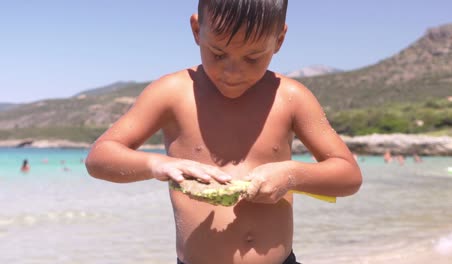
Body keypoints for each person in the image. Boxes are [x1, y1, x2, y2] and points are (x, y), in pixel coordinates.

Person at [85, 1, 362, 263]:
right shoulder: (172, 93)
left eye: (253, 58)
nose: (232, 71)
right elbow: (100, 157)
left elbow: (348, 175)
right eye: (218, 53)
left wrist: (291, 175)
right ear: (196, 30)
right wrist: (159, 164)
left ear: (279, 39)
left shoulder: (290, 97)